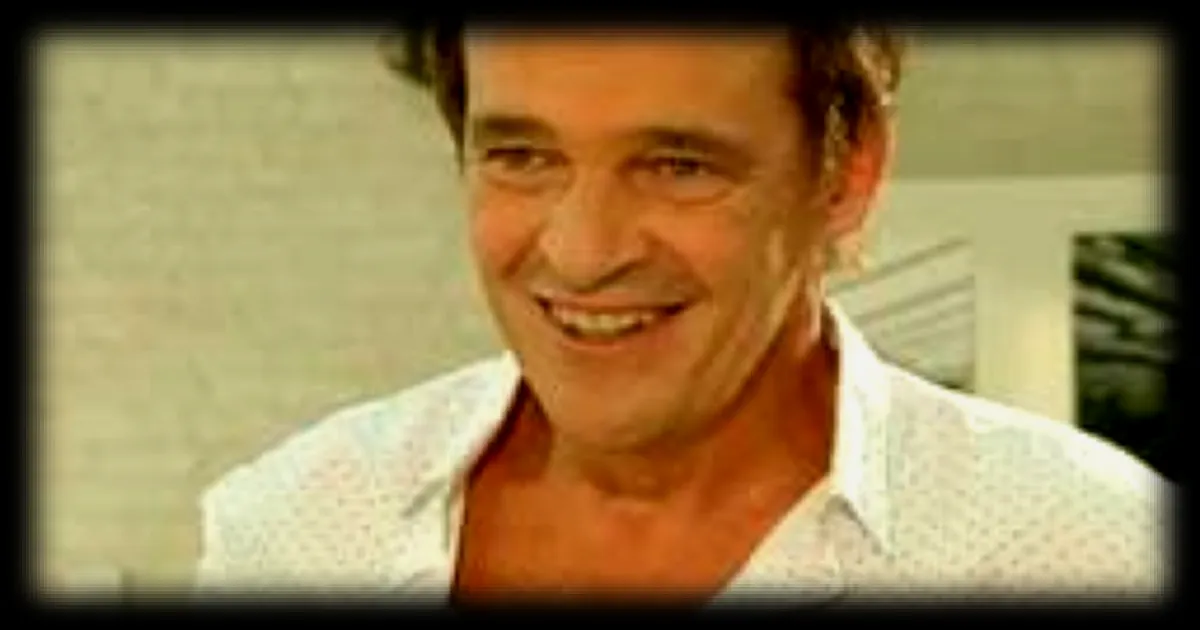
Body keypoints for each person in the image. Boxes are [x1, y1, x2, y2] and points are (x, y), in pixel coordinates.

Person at [194, 24, 1171, 607]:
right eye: (522, 157)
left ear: (845, 172)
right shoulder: (293, 530)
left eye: (678, 165)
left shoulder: (1088, 550)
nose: (583, 251)